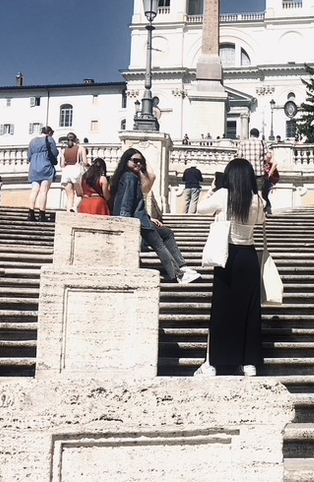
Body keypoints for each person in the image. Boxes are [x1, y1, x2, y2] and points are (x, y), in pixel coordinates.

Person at [196, 158, 266, 377]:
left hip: (227, 256)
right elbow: (261, 221)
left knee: (222, 310)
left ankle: (214, 363)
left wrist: (211, 189)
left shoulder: (223, 194)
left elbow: (200, 210)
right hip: (249, 256)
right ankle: (249, 363)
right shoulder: (257, 199)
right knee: (250, 311)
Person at [110, 147, 200, 284]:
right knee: (159, 245)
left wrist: (150, 217)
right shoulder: (129, 177)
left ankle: (182, 267)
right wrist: (126, 222)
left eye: (141, 162)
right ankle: (178, 275)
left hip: (141, 217)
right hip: (134, 220)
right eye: (135, 161)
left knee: (167, 233)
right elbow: (126, 203)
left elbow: (136, 203)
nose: (139, 164)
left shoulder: (132, 177)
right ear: (126, 161)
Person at [27, 126, 58, 222]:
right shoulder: (49, 139)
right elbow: (55, 153)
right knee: (43, 191)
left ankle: (31, 213)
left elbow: (29, 156)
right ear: (49, 132)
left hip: (34, 168)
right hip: (46, 167)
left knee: (34, 190)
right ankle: (42, 214)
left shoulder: (32, 141)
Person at [238, 127, 269, 210]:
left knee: (246, 192)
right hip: (259, 172)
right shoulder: (262, 143)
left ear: (250, 134)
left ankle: (246, 210)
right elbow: (268, 156)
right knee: (259, 193)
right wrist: (265, 164)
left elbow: (239, 157)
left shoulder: (243, 143)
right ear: (258, 135)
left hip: (246, 172)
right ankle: (260, 210)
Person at [60, 133, 89, 212]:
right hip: (76, 171)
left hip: (66, 171)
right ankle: (75, 207)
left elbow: (62, 164)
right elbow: (85, 162)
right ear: (76, 139)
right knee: (80, 194)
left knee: (69, 196)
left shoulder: (63, 150)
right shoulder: (81, 148)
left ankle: (68, 211)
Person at [264, 151, 279, 215]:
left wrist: (269, 173)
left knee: (264, 193)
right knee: (264, 194)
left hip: (270, 178)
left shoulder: (267, 157)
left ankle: (268, 208)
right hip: (266, 178)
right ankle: (266, 208)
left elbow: (275, 163)